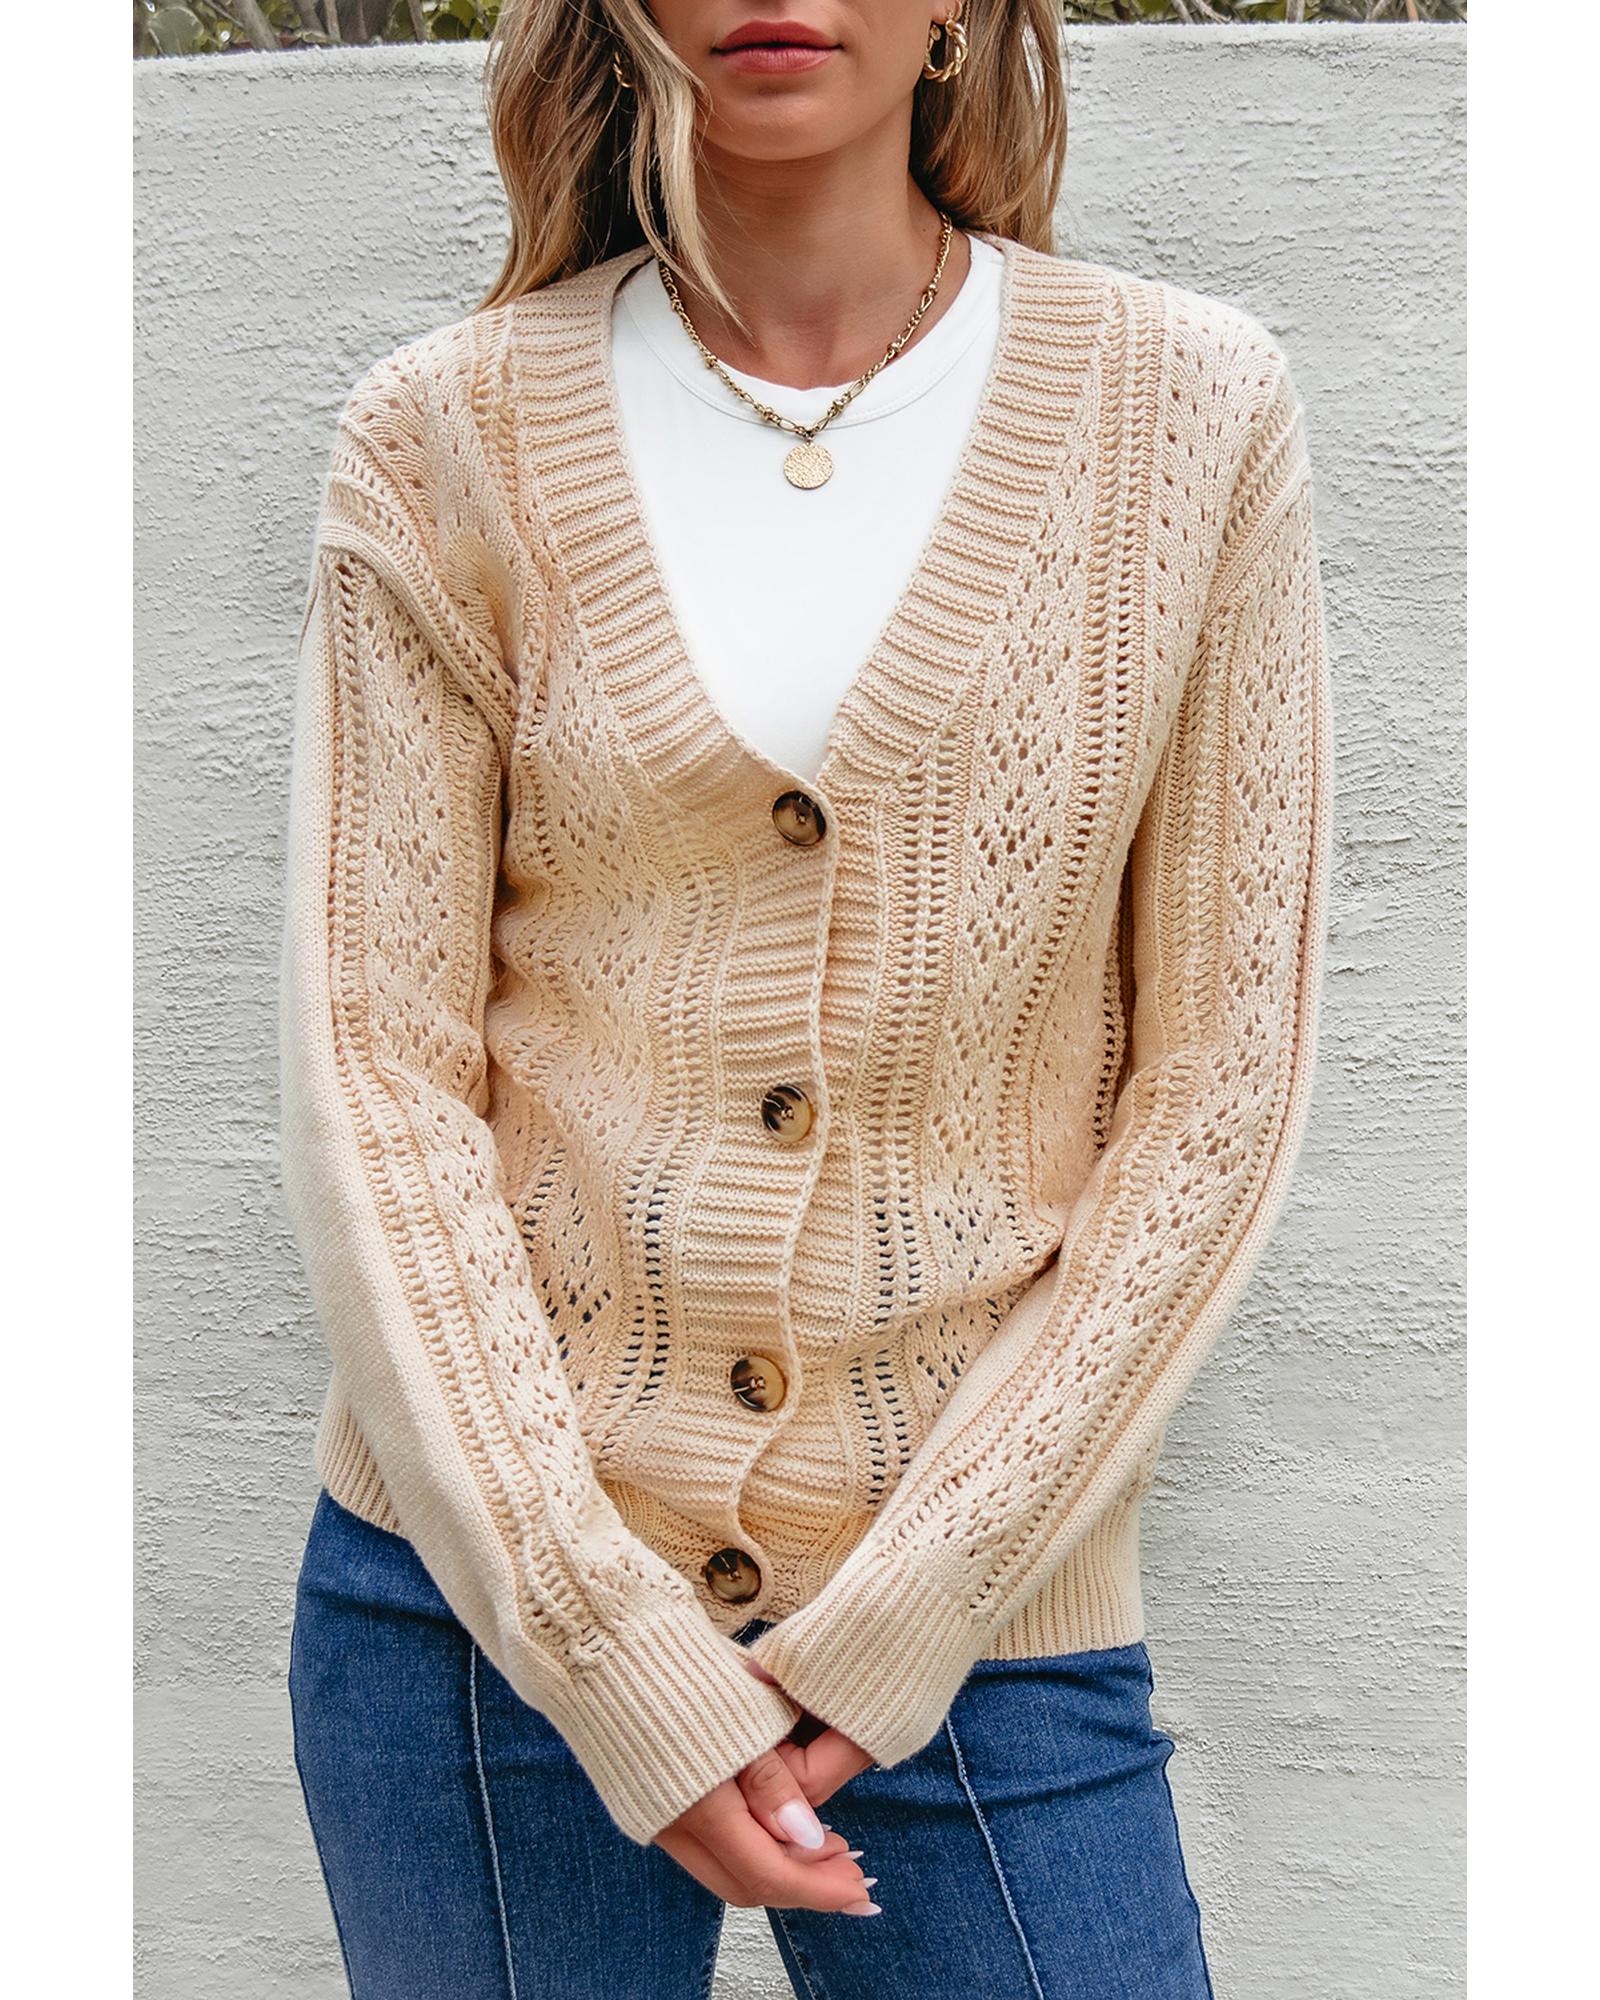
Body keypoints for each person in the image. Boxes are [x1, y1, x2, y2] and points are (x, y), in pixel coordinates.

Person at [277, 3, 1333, 1995]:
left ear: (958, 18)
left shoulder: (1188, 409)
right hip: (489, 1605)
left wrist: (921, 1601)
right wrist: (595, 1634)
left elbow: (1215, 1081)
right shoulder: (443, 432)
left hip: (983, 1601)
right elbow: (375, 1073)